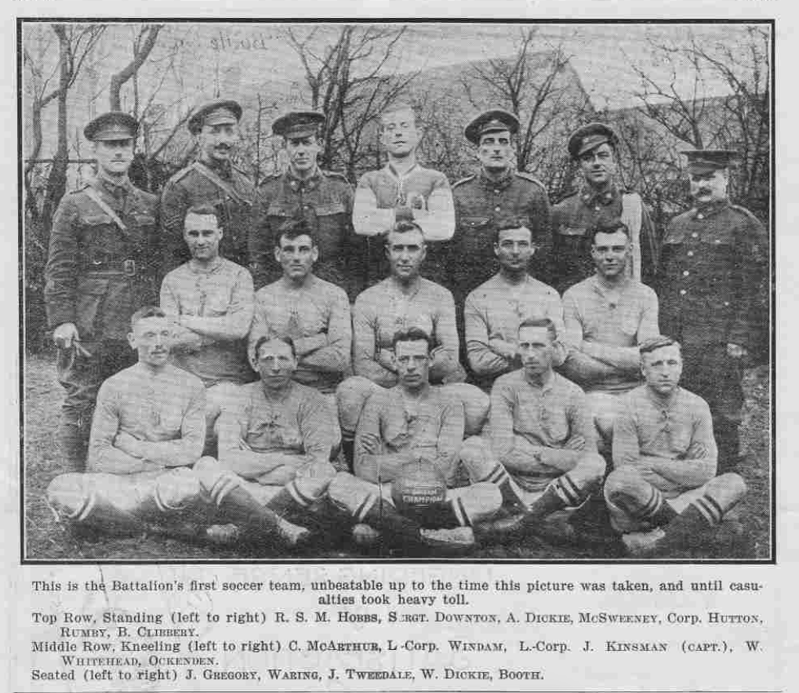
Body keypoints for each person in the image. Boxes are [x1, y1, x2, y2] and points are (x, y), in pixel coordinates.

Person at [46, 307, 310, 550]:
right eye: (148, 335)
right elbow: (99, 456)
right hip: (119, 481)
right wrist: (158, 458)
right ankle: (161, 530)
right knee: (60, 488)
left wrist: (133, 447)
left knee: (187, 481)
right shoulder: (114, 386)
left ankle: (111, 521)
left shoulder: (190, 385)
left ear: (173, 337)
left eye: (165, 334)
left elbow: (191, 452)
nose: (158, 342)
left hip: (165, 484)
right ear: (132, 340)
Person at [45, 111, 159, 471]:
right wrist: (62, 320)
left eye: (124, 144)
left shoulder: (149, 203)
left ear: (133, 149)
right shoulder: (75, 204)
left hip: (135, 315)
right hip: (90, 318)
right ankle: (75, 483)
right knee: (82, 398)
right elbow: (59, 268)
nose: (118, 152)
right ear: (94, 150)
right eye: (110, 145)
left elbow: (156, 264)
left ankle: (125, 484)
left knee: (135, 398)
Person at [328, 329, 502, 554]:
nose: (411, 366)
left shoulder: (449, 402)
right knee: (340, 483)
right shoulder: (378, 401)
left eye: (418, 358)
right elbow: (363, 469)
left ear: (430, 360)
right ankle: (426, 534)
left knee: (490, 494)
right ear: (394, 361)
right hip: (387, 494)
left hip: (434, 495)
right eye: (404, 359)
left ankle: (387, 530)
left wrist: (384, 457)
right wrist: (421, 457)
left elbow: (445, 470)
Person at [338, 220, 487, 465]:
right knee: (351, 391)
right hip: (385, 391)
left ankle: (441, 461)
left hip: (433, 389)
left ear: (424, 252)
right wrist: (411, 373)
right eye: (398, 249)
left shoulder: (440, 296)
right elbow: (363, 364)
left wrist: (386, 357)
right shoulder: (368, 299)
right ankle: (361, 467)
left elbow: (450, 360)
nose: (405, 257)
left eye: (412, 248)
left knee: (476, 401)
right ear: (387, 252)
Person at [658, 149, 768, 473]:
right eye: (696, 178)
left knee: (722, 411)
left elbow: (755, 289)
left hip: (720, 339)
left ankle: (724, 477)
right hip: (680, 336)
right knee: (680, 404)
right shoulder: (677, 224)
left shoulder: (742, 224)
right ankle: (687, 472)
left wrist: (741, 338)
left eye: (710, 177)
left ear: (726, 179)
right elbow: (665, 282)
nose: (702, 185)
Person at [460, 318, 606, 543]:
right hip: (509, 485)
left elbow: (589, 455)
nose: (529, 354)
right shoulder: (505, 385)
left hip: (554, 491)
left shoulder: (573, 393)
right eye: (524, 346)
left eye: (538, 346)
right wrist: (558, 455)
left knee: (596, 465)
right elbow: (502, 452)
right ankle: (536, 520)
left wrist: (531, 449)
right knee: (471, 448)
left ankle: (522, 521)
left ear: (554, 348)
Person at [604, 336, 747, 557]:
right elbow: (627, 467)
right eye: (656, 364)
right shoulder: (628, 404)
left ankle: (658, 541)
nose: (665, 371)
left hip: (685, 498)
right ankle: (692, 531)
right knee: (621, 480)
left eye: (672, 363)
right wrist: (685, 466)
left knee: (734, 483)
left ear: (681, 367)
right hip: (642, 500)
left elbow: (706, 471)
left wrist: (651, 463)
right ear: (643, 370)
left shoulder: (697, 405)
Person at [215, 335, 338, 538]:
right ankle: (279, 524)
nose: (275, 367)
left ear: (295, 362)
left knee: (324, 471)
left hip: (291, 488)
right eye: (267, 359)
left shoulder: (312, 399)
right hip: (246, 486)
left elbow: (317, 460)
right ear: (255, 363)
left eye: (283, 359)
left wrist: (255, 468)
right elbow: (227, 459)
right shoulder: (239, 396)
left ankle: (244, 526)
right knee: (206, 465)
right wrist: (283, 460)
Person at [159, 205, 255, 451]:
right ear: (184, 235)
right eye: (193, 234)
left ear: (220, 233)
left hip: (226, 381)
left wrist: (186, 320)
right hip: (181, 381)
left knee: (212, 418)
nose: (200, 241)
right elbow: (168, 337)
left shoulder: (239, 276)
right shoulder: (172, 280)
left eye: (207, 233)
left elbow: (238, 329)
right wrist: (218, 332)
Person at [561, 220, 659, 445]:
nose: (610, 256)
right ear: (593, 252)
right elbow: (576, 366)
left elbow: (647, 358)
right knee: (600, 431)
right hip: (592, 393)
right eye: (603, 249)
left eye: (617, 249)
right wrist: (630, 361)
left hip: (640, 391)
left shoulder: (645, 295)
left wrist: (588, 347)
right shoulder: (574, 296)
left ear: (630, 251)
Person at [250, 110, 362, 299]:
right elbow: (258, 253)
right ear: (285, 147)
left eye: (307, 142)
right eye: (294, 143)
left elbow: (356, 252)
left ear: (319, 145)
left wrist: (351, 297)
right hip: (281, 292)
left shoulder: (340, 189)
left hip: (332, 289)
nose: (301, 150)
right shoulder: (268, 191)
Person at [450, 109, 551, 308]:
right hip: (471, 297)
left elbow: (545, 251)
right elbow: (449, 255)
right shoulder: (459, 195)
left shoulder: (533, 192)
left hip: (522, 298)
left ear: (512, 150)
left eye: (503, 141)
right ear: (478, 152)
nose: (496, 148)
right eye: (488, 142)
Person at [352, 103, 454, 286]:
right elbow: (362, 224)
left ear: (419, 133)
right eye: (391, 128)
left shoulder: (436, 179)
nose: (398, 133)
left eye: (405, 126)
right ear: (382, 138)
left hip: (428, 279)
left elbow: (444, 229)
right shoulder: (369, 180)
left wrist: (383, 219)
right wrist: (410, 214)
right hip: (379, 278)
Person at [551, 122, 658, 294]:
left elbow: (649, 266)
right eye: (587, 158)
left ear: (614, 161)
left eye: (603, 156)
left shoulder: (631, 206)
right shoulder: (563, 211)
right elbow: (553, 272)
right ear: (580, 166)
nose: (596, 163)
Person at [249, 217, 351, 396]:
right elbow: (255, 358)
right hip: (274, 392)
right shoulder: (263, 297)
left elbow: (340, 359)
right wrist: (318, 340)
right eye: (289, 250)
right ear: (278, 254)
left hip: (323, 392)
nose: (296, 257)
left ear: (315, 253)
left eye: (303, 250)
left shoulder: (335, 295)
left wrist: (279, 355)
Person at [464, 219, 565, 391]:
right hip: (497, 389)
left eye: (523, 244)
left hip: (544, 389)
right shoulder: (477, 298)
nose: (516, 251)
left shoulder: (548, 295)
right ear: (496, 249)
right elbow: (479, 362)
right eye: (508, 244)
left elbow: (559, 355)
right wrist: (536, 355)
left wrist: (500, 346)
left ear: (533, 248)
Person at [160, 99, 255, 273]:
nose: (223, 140)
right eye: (215, 132)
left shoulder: (246, 185)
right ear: (198, 137)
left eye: (229, 132)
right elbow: (172, 254)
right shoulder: (180, 186)